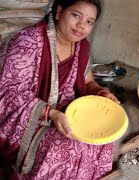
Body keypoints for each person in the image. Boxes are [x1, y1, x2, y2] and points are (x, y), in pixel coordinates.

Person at [0, 0, 121, 179]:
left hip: (67, 111)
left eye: (89, 21)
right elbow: (9, 94)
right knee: (67, 146)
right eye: (76, 15)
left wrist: (102, 93)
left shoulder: (81, 46)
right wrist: (52, 114)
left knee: (103, 133)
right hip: (27, 120)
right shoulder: (28, 42)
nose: (81, 26)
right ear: (59, 12)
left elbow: (88, 82)